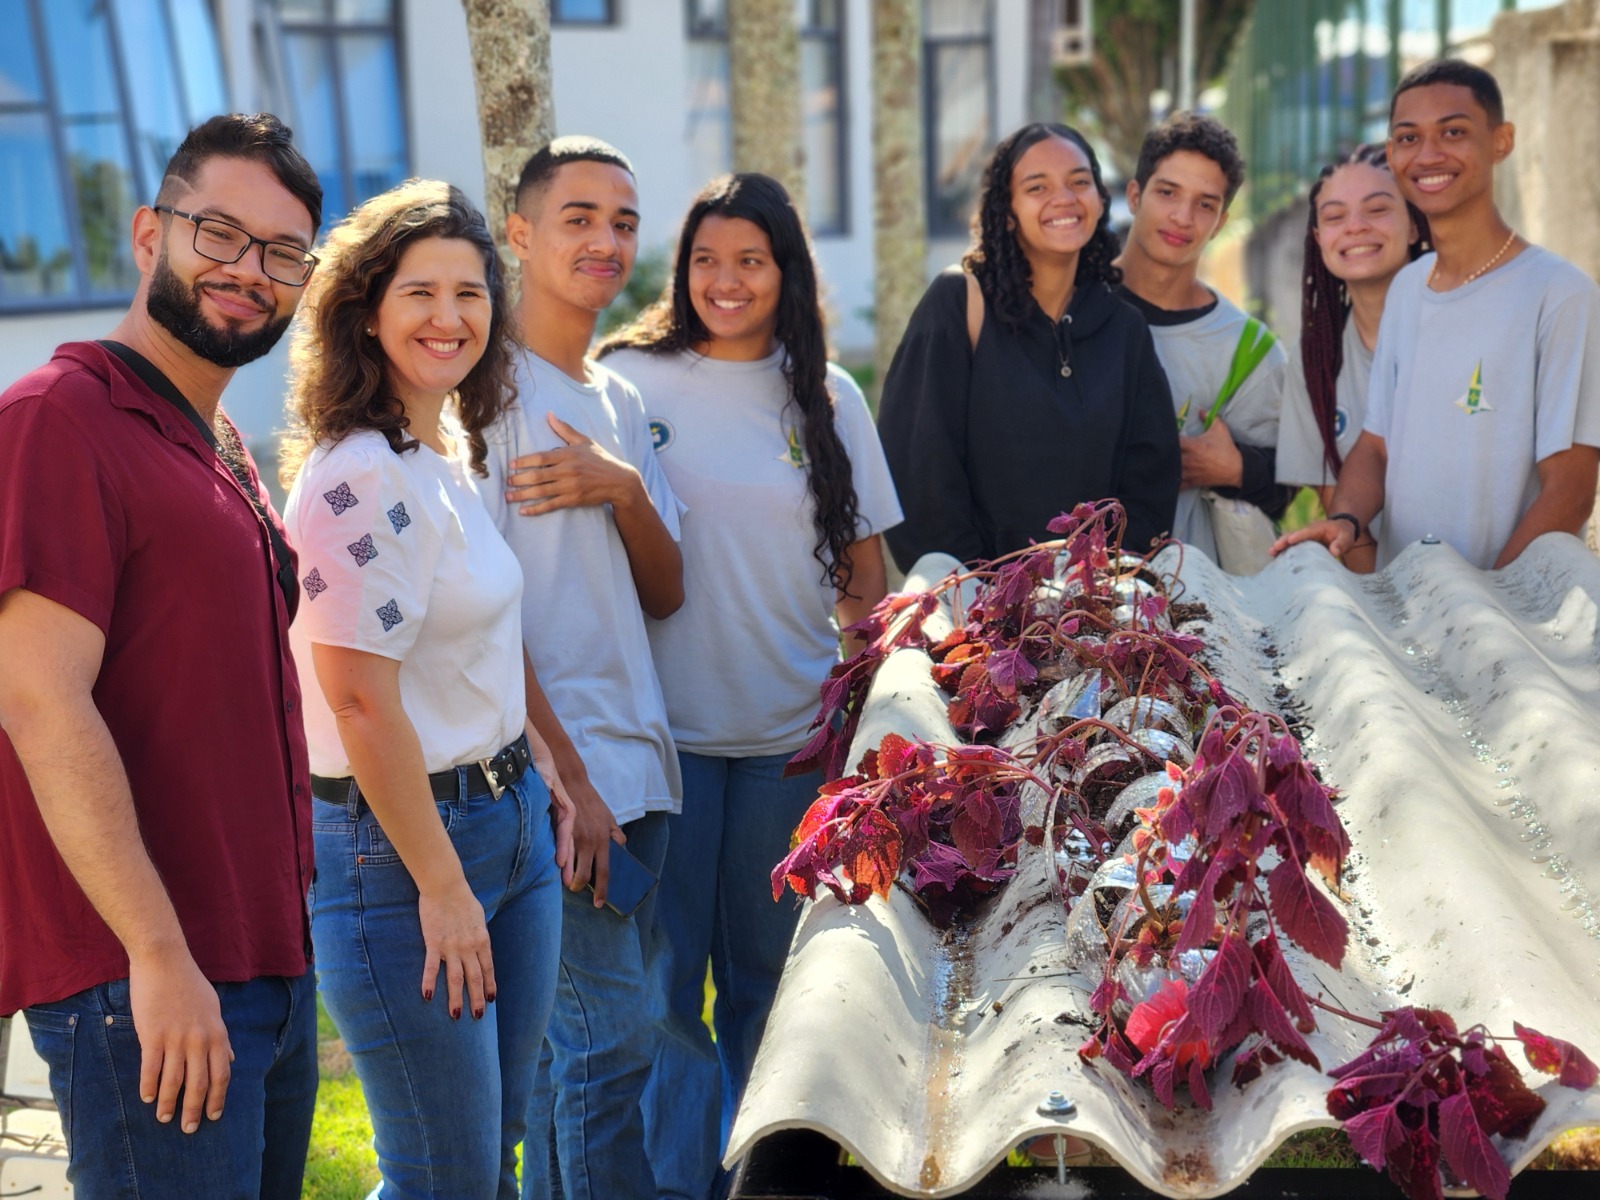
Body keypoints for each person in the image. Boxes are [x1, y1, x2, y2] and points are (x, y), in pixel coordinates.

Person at [0, 114, 322, 1198]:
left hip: (260, 962)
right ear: (149, 234)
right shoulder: (56, 418)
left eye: (282, 253)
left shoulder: (218, 446)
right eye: (218, 232)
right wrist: (156, 953)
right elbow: (39, 702)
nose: (247, 270)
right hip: (145, 978)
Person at [599, 172, 902, 1200]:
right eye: (705, 260)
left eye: (751, 261)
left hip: (788, 743)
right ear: (681, 270)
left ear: (785, 272)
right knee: (664, 998)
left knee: (771, 993)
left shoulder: (827, 398)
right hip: (662, 746)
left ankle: (759, 1184)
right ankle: (679, 1183)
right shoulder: (629, 381)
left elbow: (866, 586)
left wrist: (868, 734)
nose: (725, 282)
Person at [280, 180, 572, 1199]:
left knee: (490, 1155)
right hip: (400, 859)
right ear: (366, 310)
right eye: (419, 293)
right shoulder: (357, 475)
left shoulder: (443, 448)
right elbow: (357, 702)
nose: (450, 317)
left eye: (470, 292)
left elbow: (470, 638)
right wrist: (442, 887)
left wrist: (535, 765)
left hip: (508, 824)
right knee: (441, 1175)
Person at [484, 136, 684, 1200]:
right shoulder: (483, 392)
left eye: (622, 220)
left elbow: (666, 590)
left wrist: (624, 489)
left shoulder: (612, 400)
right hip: (563, 783)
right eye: (578, 218)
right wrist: (570, 781)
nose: (605, 240)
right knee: (606, 1052)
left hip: (641, 771)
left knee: (595, 1059)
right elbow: (475, 616)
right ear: (518, 232)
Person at [1274, 59, 1600, 570]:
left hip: (1514, 628)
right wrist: (1347, 520)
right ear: (1391, 153)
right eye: (1408, 138)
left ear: (1501, 141)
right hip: (1411, 615)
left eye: (1453, 131)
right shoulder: (1408, 287)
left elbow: (1571, 489)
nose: (1428, 154)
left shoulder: (1560, 294)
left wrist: (1488, 606)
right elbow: (1376, 448)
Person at [877, 122, 1178, 568]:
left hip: (1094, 612)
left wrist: (1096, 583)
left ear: (1099, 198)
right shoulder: (959, 304)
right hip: (975, 611)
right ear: (1007, 210)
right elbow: (920, 473)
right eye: (1037, 186)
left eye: (1079, 182)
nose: (1064, 198)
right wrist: (984, 594)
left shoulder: (1124, 329)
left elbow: (1150, 480)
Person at [1115, 111, 1293, 567]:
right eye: (1167, 192)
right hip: (1060, 593)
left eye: (1205, 204)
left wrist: (1235, 469)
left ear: (1221, 220)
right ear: (1135, 195)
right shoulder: (1069, 308)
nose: (1182, 217)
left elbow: (1291, 482)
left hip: (1192, 604)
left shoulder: (1249, 351)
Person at [1275, 145, 1429, 570]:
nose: (1356, 228)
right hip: (1385, 596)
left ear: (1415, 225)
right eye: (1335, 217)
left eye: (1377, 209)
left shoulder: (1468, 332)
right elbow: (1347, 534)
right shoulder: (1313, 364)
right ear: (1319, 237)